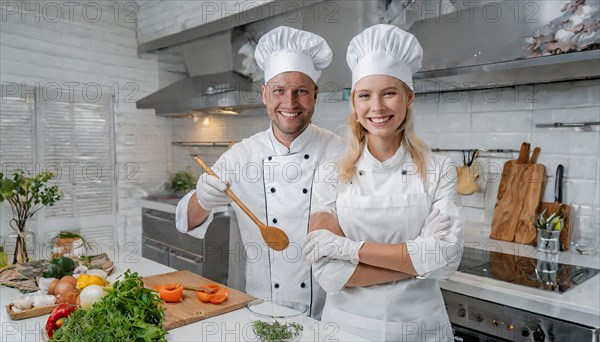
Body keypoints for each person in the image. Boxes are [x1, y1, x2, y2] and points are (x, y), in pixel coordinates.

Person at [302, 24, 464, 341]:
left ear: (408, 97)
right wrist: (417, 259)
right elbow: (329, 274)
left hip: (419, 329)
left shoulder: (439, 169)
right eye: (365, 95)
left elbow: (445, 259)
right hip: (347, 329)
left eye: (389, 93)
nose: (377, 107)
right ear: (354, 103)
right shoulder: (330, 173)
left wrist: (346, 248)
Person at [175, 26, 344, 318]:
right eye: (279, 90)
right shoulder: (242, 155)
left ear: (315, 94)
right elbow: (186, 221)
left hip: (327, 314)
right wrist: (201, 199)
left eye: (300, 91)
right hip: (260, 308)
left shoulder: (341, 152)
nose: (289, 102)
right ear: (265, 94)